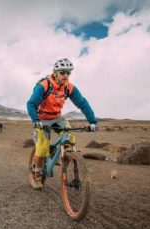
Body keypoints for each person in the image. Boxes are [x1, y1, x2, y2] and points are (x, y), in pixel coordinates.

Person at [26, 58, 99, 190]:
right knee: (42, 149)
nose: (66, 75)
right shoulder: (44, 85)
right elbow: (31, 104)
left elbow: (82, 104)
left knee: (69, 138)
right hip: (42, 119)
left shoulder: (69, 88)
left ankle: (61, 155)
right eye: (62, 72)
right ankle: (37, 175)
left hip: (57, 118)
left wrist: (93, 121)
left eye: (68, 73)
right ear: (55, 73)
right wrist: (36, 121)